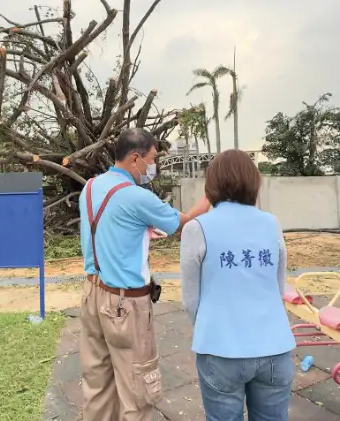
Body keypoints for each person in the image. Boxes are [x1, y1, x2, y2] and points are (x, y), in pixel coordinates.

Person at [79, 128, 211, 421]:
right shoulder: (137, 197)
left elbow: (111, 230)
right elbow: (185, 222)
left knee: (98, 384)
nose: (154, 166)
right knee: (138, 390)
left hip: (91, 294)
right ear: (135, 158)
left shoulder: (89, 188)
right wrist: (210, 194)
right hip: (125, 305)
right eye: (152, 159)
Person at [179, 149, 296, 421]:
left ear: (212, 184)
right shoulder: (272, 223)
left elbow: (190, 300)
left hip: (220, 350)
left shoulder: (197, 228)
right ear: (254, 181)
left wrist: (211, 327)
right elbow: (278, 288)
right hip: (274, 348)